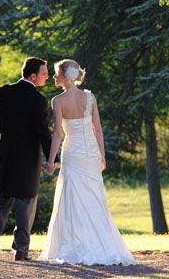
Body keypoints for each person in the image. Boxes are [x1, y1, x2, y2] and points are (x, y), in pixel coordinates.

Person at [38, 59, 135, 265]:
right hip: (91, 152)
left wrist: (50, 161)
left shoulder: (58, 101)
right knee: (94, 197)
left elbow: (57, 134)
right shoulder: (90, 97)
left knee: (72, 197)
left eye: (56, 74)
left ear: (65, 76)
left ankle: (74, 246)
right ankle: (102, 246)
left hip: (72, 152)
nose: (54, 77)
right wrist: (102, 155)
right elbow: (97, 130)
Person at [0, 57, 52, 261]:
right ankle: (21, 251)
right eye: (44, 73)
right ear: (33, 76)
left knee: (0, 201)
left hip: (4, 156)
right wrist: (51, 157)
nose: (47, 77)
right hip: (27, 159)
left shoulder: (4, 91)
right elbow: (42, 132)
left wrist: (3, 145)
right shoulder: (38, 100)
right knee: (26, 204)